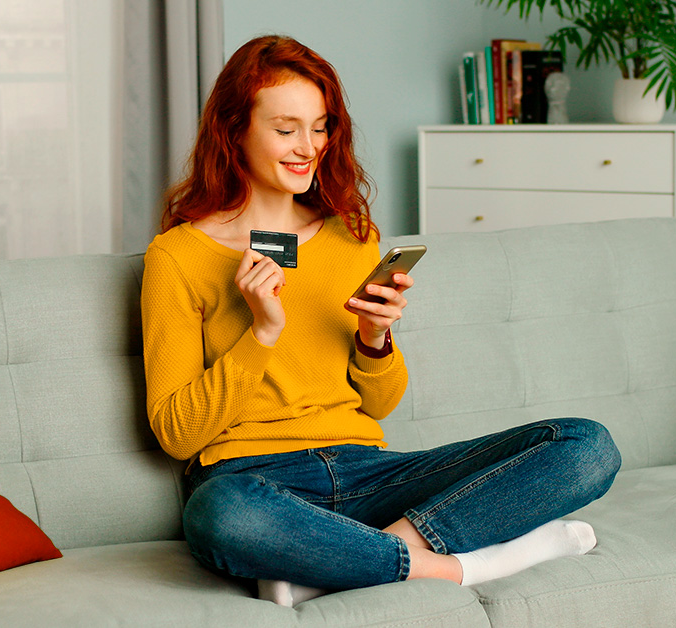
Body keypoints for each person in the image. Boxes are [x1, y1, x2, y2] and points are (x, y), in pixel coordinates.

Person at [140, 34, 621, 606]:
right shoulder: (178, 255)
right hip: (252, 478)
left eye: (320, 127)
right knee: (218, 515)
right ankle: (460, 567)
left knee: (585, 445)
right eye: (286, 128)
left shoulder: (351, 238)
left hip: (369, 472)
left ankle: (343, 562)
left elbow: (379, 405)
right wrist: (261, 332)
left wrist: (375, 339)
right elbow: (176, 433)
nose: (308, 147)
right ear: (234, 129)